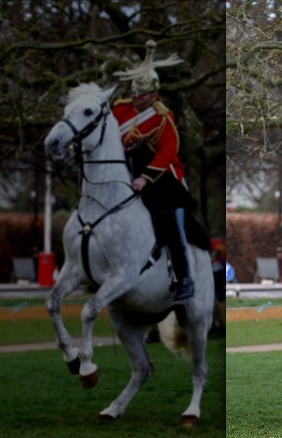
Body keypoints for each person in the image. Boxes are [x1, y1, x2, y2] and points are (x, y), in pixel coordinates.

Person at [112, 40, 197, 301]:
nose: (138, 100)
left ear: (154, 94)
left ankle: (184, 279)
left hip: (161, 179)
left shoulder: (162, 118)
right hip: (123, 172)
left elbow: (168, 152)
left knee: (171, 227)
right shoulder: (119, 109)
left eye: (143, 96)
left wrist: (145, 178)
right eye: (135, 94)